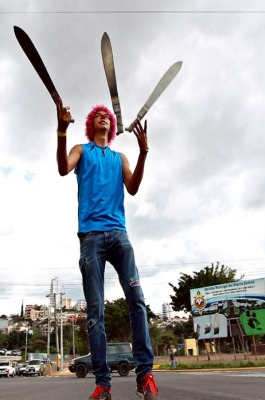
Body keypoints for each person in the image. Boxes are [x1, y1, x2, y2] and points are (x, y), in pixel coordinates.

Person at [56, 100, 159, 400]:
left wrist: (144, 153)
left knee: (137, 300)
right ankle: (103, 384)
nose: (103, 116)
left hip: (119, 234)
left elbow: (134, 187)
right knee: (95, 311)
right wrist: (61, 131)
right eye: (97, 115)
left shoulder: (119, 158)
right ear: (91, 124)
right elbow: (63, 168)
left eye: (106, 116)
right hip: (91, 237)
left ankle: (145, 377)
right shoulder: (81, 150)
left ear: (112, 127)